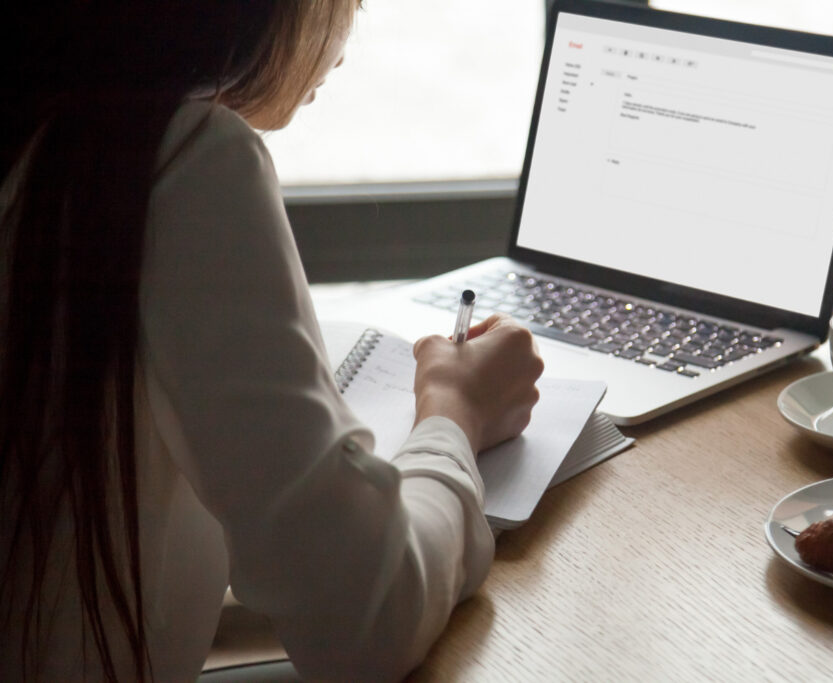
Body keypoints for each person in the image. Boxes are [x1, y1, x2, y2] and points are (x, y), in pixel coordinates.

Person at [0, 2, 543, 681]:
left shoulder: (49, 136)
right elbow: (368, 617)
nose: (344, 41)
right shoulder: (177, 165)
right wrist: (455, 411)